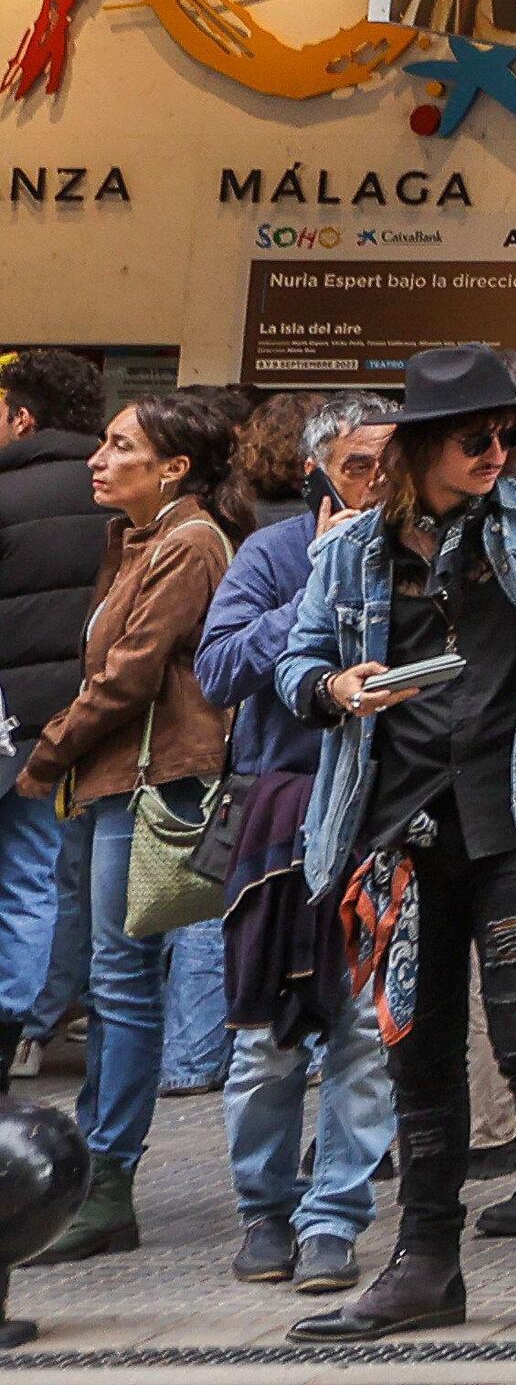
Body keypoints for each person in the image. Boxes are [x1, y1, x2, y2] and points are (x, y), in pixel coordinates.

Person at [274, 344, 516, 1346]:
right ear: (419, 447)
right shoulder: (355, 547)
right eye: (475, 437)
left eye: (510, 434)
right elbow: (294, 662)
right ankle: (425, 1264)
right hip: (398, 823)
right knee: (416, 1045)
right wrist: (333, 688)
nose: (498, 451)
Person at [23, 385, 235, 1258]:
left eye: (120, 447)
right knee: (119, 979)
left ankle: (105, 1179)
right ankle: (93, 1172)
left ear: (173, 467)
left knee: (122, 979)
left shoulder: (186, 543)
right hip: (120, 778)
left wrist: (46, 753)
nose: (98, 460)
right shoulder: (139, 540)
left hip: (156, 780)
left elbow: (131, 675)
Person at [198, 394, 399, 1296]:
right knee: (263, 1034)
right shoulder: (272, 551)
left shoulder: (422, 550)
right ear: (317, 467)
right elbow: (219, 668)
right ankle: (264, 1210)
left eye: (391, 462)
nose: (377, 482)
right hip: (277, 820)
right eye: (358, 464)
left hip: (383, 817)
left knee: (364, 1026)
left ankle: (334, 1217)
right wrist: (315, 584)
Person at [0, 347, 114, 1087]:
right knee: (42, 878)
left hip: (4, 711)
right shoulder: (121, 495)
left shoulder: (4, 492)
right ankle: (22, 1026)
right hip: (84, 715)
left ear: (23, 416)